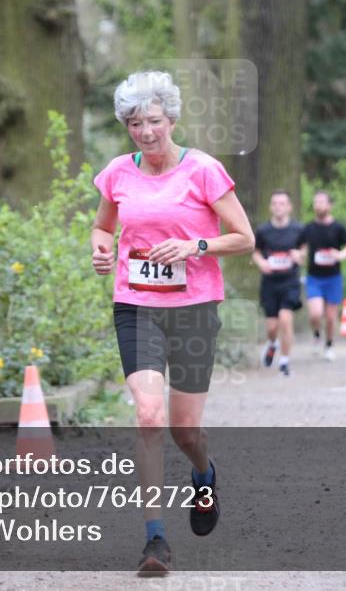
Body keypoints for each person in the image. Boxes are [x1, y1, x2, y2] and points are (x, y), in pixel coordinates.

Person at [90, 71, 254, 576]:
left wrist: (194, 245)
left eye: (154, 121)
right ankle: (155, 539)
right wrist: (100, 249)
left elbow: (244, 237)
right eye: (135, 123)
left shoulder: (202, 170)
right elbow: (102, 226)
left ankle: (204, 474)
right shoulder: (118, 173)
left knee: (185, 430)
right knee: (147, 415)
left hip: (194, 310)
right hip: (136, 307)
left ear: (173, 120)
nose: (146, 132)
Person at [252, 190, 305, 376]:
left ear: (289, 207)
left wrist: (300, 255)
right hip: (270, 283)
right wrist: (261, 263)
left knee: (285, 319)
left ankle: (284, 362)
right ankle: (272, 343)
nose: (278, 207)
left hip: (290, 281)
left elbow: (305, 250)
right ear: (270, 207)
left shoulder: (298, 229)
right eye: (275, 203)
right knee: (272, 327)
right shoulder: (263, 230)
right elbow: (256, 252)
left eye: (282, 203)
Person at [301, 191, 346, 361]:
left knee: (331, 317)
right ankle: (317, 335)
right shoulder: (308, 228)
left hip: (333, 278)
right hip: (314, 278)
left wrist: (340, 255)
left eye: (322, 202)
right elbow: (301, 248)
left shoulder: (338, 228)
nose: (318, 205)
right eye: (316, 202)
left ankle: (329, 345)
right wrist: (299, 256)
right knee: (315, 314)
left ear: (329, 205)